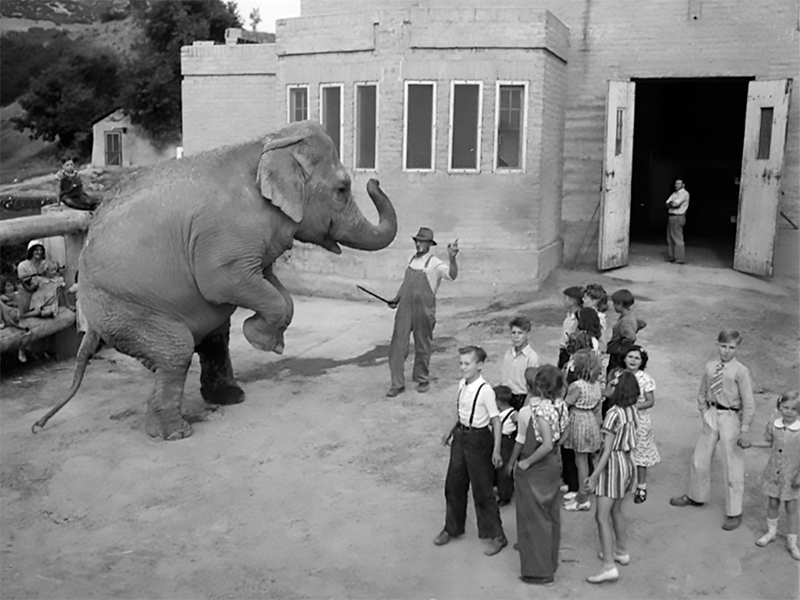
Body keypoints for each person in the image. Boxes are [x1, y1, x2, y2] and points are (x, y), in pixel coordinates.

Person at [670, 330, 755, 531]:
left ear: (737, 348)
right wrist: (704, 412)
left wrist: (744, 428)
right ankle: (696, 495)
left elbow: (749, 402)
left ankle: (734, 511)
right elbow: (702, 391)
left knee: (732, 464)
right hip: (712, 414)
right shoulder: (710, 367)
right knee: (699, 459)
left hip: (730, 416)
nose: (726, 351)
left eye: (731, 347)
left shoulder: (741, 371)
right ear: (717, 345)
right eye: (723, 346)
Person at [434, 345, 508, 557]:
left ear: (480, 365)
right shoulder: (462, 385)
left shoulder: (485, 390)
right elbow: (460, 412)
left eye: (467, 364)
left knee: (483, 488)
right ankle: (452, 527)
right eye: (461, 363)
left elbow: (495, 420)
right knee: (453, 484)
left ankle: (497, 535)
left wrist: (496, 450)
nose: (463, 367)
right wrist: (450, 431)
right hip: (461, 437)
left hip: (479, 440)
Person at [506, 365, 569, 586]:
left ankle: (539, 571)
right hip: (554, 463)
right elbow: (561, 437)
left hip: (538, 466)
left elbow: (546, 443)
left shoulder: (539, 410)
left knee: (534, 518)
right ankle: (550, 562)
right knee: (551, 514)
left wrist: (526, 462)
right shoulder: (561, 406)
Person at [386, 227, 458, 397]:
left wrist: (452, 257)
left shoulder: (434, 263)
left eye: (422, 241)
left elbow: (452, 275)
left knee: (422, 344)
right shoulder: (411, 259)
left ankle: (422, 378)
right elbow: (406, 284)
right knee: (397, 344)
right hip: (405, 307)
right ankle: (397, 384)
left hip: (424, 309)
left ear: (429, 244)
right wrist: (397, 299)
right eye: (417, 241)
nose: (418, 244)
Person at [585, 370, 640, 584]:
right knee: (617, 509)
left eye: (609, 384)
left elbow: (606, 450)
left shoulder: (613, 414)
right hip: (628, 463)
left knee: (601, 516)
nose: (605, 385)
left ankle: (609, 565)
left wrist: (594, 476)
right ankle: (621, 550)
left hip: (613, 466)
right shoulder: (632, 410)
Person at [750, 391, 800, 560]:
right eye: (785, 407)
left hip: (791, 476)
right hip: (773, 473)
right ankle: (771, 532)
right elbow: (769, 443)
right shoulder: (774, 424)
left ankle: (792, 542)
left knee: (791, 508)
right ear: (779, 407)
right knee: (772, 502)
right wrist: (751, 443)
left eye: (793, 409)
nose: (788, 411)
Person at [562, 349, 604, 512]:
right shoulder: (596, 385)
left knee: (580, 461)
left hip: (577, 421)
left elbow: (566, 404)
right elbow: (597, 408)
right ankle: (584, 490)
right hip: (590, 421)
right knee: (586, 459)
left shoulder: (576, 386)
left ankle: (582, 497)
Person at [624, 345, 660, 504]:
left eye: (636, 358)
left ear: (642, 362)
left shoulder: (645, 379)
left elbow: (650, 401)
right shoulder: (619, 375)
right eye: (630, 357)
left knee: (640, 454)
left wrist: (633, 407)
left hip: (640, 421)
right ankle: (625, 482)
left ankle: (641, 486)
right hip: (623, 419)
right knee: (623, 450)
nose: (633, 360)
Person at [501, 315, 540, 410]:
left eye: (520, 333)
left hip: (522, 398)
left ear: (527, 335)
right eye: (513, 333)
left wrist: (524, 408)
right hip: (507, 397)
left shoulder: (532, 358)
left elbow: (534, 387)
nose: (516, 337)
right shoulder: (508, 354)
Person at [606, 289, 647, 374]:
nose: (613, 306)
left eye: (615, 303)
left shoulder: (625, 321)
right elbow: (642, 323)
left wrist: (621, 344)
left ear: (620, 304)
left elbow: (631, 337)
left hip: (618, 353)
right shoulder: (630, 315)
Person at [493, 384, 519, 507]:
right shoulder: (499, 412)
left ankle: (505, 494)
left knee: (504, 469)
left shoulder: (512, 413)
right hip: (498, 439)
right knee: (496, 466)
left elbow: (519, 424)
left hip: (506, 441)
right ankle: (498, 486)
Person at [558, 286, 583, 369]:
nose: (563, 301)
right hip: (564, 350)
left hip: (570, 352)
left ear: (572, 302)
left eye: (565, 298)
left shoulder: (578, 318)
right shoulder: (569, 315)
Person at [665, 178, 690, 264]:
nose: (676, 185)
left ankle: (679, 259)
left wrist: (671, 204)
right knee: (670, 238)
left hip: (678, 216)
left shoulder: (684, 194)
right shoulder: (674, 193)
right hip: (672, 216)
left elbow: (675, 204)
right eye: (676, 183)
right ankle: (672, 256)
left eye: (679, 184)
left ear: (683, 185)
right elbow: (667, 203)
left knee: (677, 238)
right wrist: (671, 204)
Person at [582, 284, 608, 350]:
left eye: (585, 298)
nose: (582, 300)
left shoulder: (599, 318)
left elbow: (602, 342)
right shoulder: (585, 314)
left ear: (594, 302)